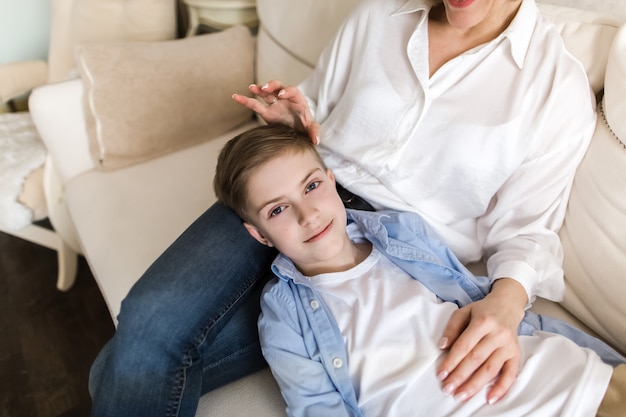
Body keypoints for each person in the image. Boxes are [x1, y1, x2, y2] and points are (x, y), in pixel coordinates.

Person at [89, 0, 605, 415]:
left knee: (123, 361)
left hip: (396, 250)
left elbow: (531, 229)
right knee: (149, 322)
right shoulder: (378, 15)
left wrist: (507, 302)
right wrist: (296, 127)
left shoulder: (554, 86)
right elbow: (316, 121)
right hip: (306, 188)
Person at [212, 122, 624, 416]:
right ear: (260, 234)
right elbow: (315, 406)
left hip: (530, 370)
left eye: (312, 186)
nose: (308, 214)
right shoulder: (285, 314)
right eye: (279, 209)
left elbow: (484, 302)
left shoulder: (400, 233)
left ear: (332, 181)